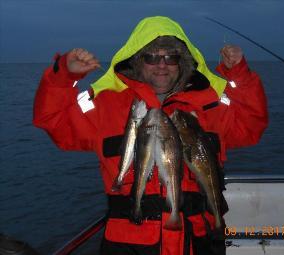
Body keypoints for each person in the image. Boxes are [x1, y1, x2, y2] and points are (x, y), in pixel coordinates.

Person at [33, 16, 268, 255]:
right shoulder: (106, 104)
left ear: (183, 62)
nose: (162, 64)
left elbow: (251, 127)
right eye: (151, 56)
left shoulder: (210, 104)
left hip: (198, 241)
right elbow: (54, 122)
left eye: (171, 57)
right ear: (137, 61)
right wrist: (63, 76)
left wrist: (238, 75)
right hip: (129, 244)